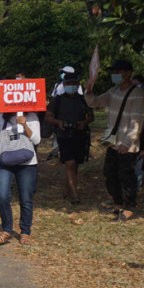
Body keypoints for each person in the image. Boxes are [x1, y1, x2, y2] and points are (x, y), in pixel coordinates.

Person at [86, 59, 143, 222]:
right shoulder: (114, 91)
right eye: (114, 72)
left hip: (127, 145)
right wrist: (88, 91)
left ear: (128, 73)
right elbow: (96, 102)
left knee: (127, 176)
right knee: (110, 174)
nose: (114, 75)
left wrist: (128, 143)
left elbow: (137, 121)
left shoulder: (137, 94)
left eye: (118, 72)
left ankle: (129, 207)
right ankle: (118, 204)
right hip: (112, 143)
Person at [0, 110, 42, 244]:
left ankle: (25, 232)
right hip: (4, 162)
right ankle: (7, 229)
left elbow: (36, 140)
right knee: (2, 195)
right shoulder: (0, 117)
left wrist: (25, 125)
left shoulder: (31, 116)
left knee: (26, 198)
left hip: (27, 164)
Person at [45, 69, 93, 204]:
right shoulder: (57, 100)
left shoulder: (84, 100)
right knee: (70, 163)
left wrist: (84, 122)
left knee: (74, 165)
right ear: (64, 85)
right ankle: (75, 196)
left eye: (74, 83)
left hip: (80, 136)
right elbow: (48, 117)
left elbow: (91, 116)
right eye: (68, 83)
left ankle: (68, 190)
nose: (71, 85)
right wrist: (59, 122)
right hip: (64, 136)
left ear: (78, 85)